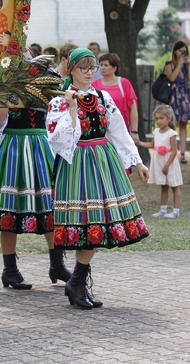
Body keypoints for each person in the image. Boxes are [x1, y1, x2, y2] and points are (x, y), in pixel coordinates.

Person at [46, 48, 149, 309]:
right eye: (84, 67)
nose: (90, 72)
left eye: (93, 67)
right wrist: (71, 108)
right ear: (71, 70)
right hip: (77, 165)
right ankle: (77, 282)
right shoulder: (59, 101)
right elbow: (58, 140)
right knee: (85, 225)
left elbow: (119, 131)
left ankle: (77, 281)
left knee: (99, 225)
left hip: (103, 161)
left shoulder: (102, 97)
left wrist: (137, 162)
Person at [0, 48, 71, 290]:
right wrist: (5, 100)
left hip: (39, 146)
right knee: (9, 209)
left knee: (49, 206)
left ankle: (56, 264)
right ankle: (10, 269)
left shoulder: (44, 82)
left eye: (26, 52)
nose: (24, 56)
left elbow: (55, 115)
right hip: (12, 147)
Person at [139, 105, 182, 218]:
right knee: (164, 186)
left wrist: (167, 165)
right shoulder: (156, 132)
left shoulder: (171, 134)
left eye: (161, 118)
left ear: (168, 118)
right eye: (156, 119)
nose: (158, 121)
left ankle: (176, 211)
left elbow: (174, 151)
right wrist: (139, 143)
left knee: (174, 186)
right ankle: (162, 209)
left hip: (169, 163)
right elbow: (152, 145)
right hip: (160, 162)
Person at [91, 52, 139, 142]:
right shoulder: (94, 85)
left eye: (106, 65)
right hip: (100, 131)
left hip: (121, 130)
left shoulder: (124, 83)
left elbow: (133, 108)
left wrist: (134, 131)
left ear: (114, 68)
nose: (102, 68)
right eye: (101, 65)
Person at [164, 40, 190, 162]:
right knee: (172, 124)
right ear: (175, 52)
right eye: (180, 50)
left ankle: (182, 153)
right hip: (174, 96)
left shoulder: (186, 65)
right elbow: (171, 78)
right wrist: (179, 65)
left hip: (185, 96)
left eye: (184, 51)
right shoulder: (169, 64)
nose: (182, 53)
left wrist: (189, 66)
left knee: (184, 125)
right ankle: (171, 151)